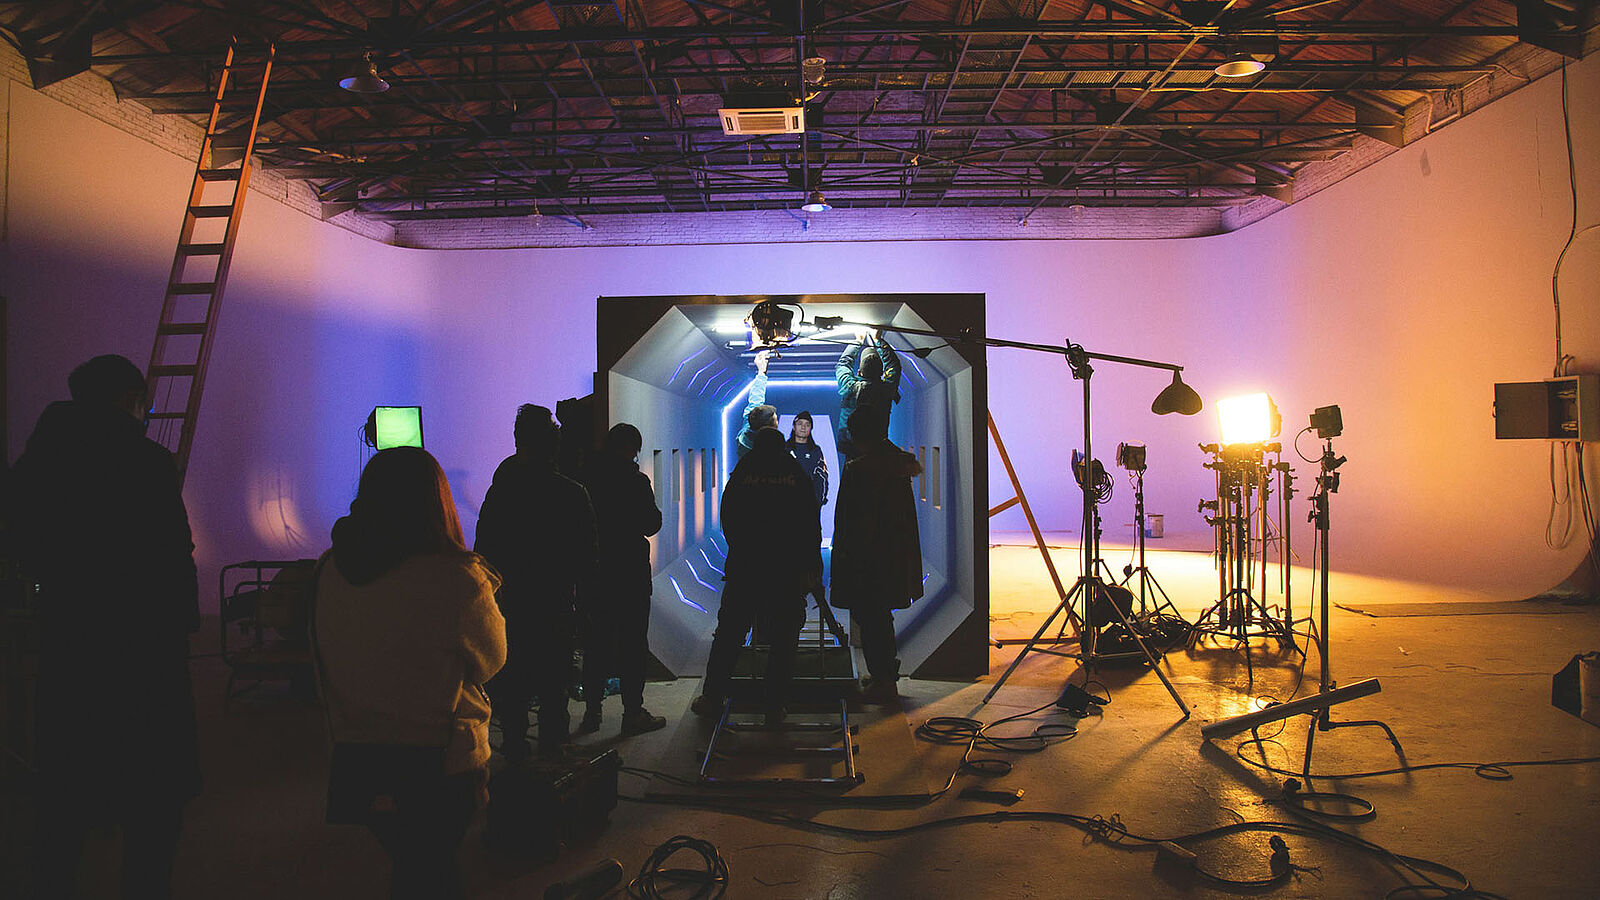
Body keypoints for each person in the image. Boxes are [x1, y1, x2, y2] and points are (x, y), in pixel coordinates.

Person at [10, 354, 200, 900]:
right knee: (152, 805)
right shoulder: (148, 463)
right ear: (131, 401)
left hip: (70, 646)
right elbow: (173, 555)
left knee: (62, 801)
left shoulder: (40, 462)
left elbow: (20, 541)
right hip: (147, 655)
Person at [313, 446, 506, 900]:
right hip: (441, 763)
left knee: (412, 866)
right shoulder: (458, 578)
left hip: (359, 757)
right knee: (435, 871)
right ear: (437, 501)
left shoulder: (328, 570)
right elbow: (492, 660)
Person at [474, 404, 598, 761]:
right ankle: (553, 750)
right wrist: (585, 608)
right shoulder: (571, 493)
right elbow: (587, 558)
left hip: (510, 604)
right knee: (554, 682)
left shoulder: (500, 491)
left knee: (513, 683)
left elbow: (484, 551)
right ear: (554, 444)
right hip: (554, 603)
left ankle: (515, 748)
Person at [692, 426, 822, 723]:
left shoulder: (743, 473)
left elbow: (728, 518)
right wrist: (811, 565)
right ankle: (774, 705)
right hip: (787, 571)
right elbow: (809, 523)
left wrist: (742, 549)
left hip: (745, 569)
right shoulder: (795, 475)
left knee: (729, 634)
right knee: (784, 639)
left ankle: (712, 697)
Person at [577, 423, 666, 737]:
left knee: (596, 644)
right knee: (633, 645)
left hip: (597, 573)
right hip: (630, 573)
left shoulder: (586, 479)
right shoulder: (636, 481)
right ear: (633, 449)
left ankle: (592, 712)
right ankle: (632, 713)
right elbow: (651, 523)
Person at [830, 407, 924, 702]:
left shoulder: (858, 470)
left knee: (870, 619)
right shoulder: (897, 465)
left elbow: (848, 521)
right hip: (892, 555)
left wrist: (843, 557)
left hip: (865, 560)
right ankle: (885, 675)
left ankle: (883, 680)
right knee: (881, 617)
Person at [786, 411, 846, 645]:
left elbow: (822, 478)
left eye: (807, 424)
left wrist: (817, 502)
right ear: (794, 426)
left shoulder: (816, 451)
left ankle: (813, 580)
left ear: (811, 428)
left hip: (809, 515)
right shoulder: (785, 450)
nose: (803, 427)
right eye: (800, 424)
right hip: (787, 516)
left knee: (811, 552)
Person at [835, 330, 902, 460]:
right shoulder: (886, 390)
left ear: (859, 372)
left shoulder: (849, 387)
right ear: (881, 373)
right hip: (877, 448)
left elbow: (843, 364)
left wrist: (858, 341)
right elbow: (894, 367)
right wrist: (879, 340)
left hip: (851, 447)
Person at [735, 349, 777, 460]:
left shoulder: (747, 431)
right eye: (775, 421)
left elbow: (756, 400)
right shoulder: (770, 450)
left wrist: (761, 372)